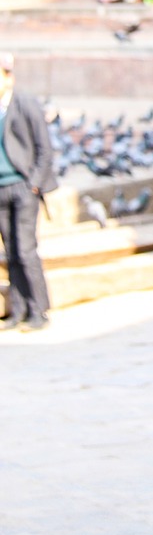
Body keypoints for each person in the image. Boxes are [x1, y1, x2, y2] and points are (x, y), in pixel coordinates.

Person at [0, 53, 56, 330]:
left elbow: (44, 148)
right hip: (1, 187)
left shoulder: (24, 103)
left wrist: (34, 182)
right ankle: (18, 310)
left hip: (23, 186)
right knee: (10, 251)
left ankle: (39, 309)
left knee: (25, 249)